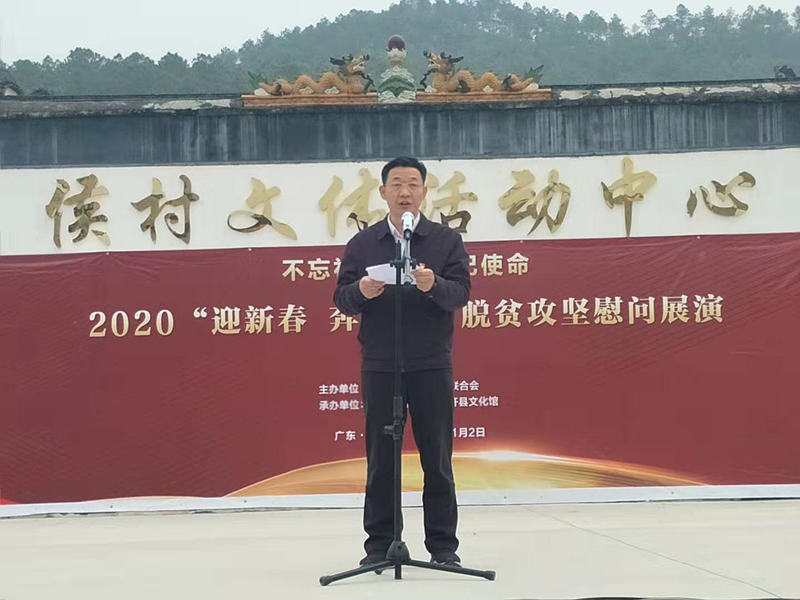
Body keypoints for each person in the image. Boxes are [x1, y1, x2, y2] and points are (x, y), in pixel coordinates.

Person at [333, 157, 471, 568]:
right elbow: (342, 299)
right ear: (383, 192)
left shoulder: (445, 240)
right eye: (396, 184)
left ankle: (443, 548)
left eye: (413, 184)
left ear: (424, 192)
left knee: (437, 459)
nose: (405, 192)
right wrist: (360, 290)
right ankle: (379, 546)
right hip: (381, 363)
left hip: (431, 363)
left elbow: (461, 293)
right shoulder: (364, 243)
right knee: (381, 461)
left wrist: (435, 284)